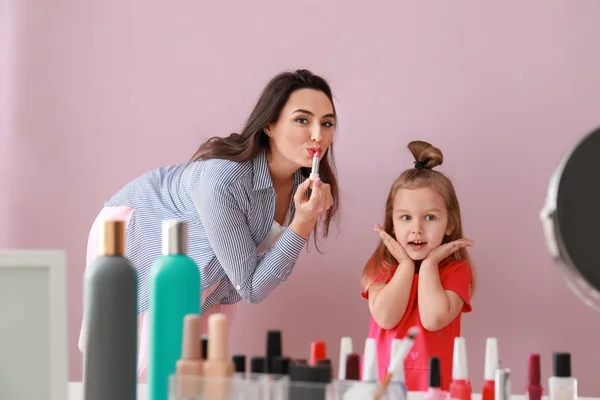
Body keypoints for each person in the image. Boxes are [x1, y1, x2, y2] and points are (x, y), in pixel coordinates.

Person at [78, 69, 340, 379]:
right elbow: (253, 286)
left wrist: (303, 219)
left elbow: (252, 280)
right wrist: (303, 223)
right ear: (269, 124)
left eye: (326, 123)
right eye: (302, 120)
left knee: (193, 363)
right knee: (141, 360)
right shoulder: (223, 180)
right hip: (138, 228)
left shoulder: (302, 184)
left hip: (203, 262)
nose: (317, 135)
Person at [360, 140, 475, 391]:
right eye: (405, 217)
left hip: (436, 387)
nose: (417, 228)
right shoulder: (382, 266)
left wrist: (430, 264)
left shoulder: (456, 272)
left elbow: (434, 319)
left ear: (450, 224)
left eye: (430, 217)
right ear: (391, 223)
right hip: (382, 385)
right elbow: (386, 318)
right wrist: (403, 265)